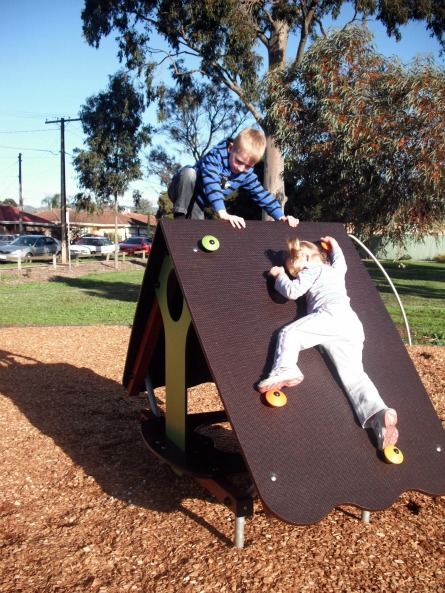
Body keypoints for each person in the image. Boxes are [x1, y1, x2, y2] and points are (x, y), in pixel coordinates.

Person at [257, 235, 399, 451]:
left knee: (290, 333)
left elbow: (293, 292)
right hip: (352, 325)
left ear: (303, 257)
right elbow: (342, 262)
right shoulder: (334, 270)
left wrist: (279, 276)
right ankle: (379, 414)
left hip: (331, 316)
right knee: (355, 376)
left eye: (292, 267)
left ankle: (285, 369)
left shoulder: (313, 270)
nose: (293, 273)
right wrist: (335, 246)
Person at [168, 128, 299, 229]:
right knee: (189, 173)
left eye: (248, 166)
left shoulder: (245, 174)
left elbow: (262, 195)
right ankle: (178, 220)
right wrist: (223, 213)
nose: (241, 168)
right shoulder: (214, 158)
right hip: (181, 190)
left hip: (198, 202)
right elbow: (211, 182)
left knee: (196, 232)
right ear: (231, 148)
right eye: (239, 161)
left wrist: (281, 217)